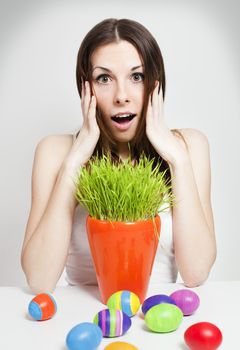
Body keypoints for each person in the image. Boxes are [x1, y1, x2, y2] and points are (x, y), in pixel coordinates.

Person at [21, 18, 216, 294]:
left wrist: (177, 159)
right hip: (84, 318)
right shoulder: (55, 151)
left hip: (157, 318)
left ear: (155, 84)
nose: (121, 96)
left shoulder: (189, 146)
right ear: (86, 88)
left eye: (137, 77)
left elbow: (196, 273)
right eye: (104, 79)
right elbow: (39, 280)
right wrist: (75, 161)